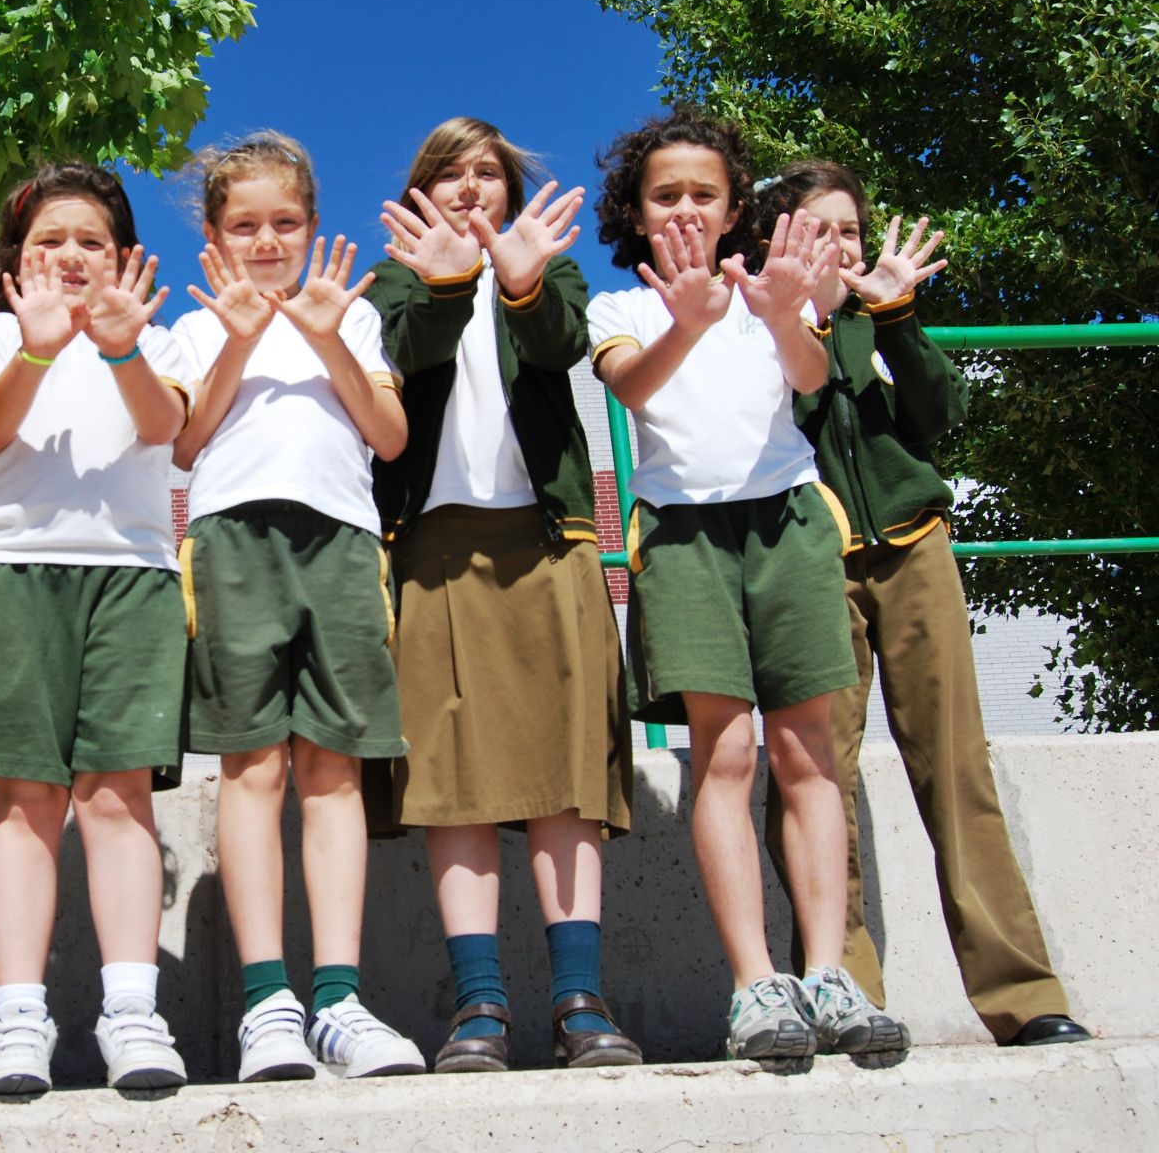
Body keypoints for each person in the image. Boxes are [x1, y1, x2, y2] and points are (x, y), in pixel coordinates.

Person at [588, 106, 908, 1063]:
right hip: (684, 536)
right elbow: (633, 389)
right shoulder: (626, 308)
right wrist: (691, 322)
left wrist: (778, 313)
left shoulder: (779, 290)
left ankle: (828, 974)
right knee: (724, 758)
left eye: (704, 193)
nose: (685, 208)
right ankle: (753, 985)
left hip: (789, 522)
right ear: (637, 213)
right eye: (665, 195)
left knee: (812, 757)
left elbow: (811, 379)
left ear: (734, 208)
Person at [755, 159, 1092, 1049]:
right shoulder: (763, 324)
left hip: (914, 552)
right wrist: (802, 317)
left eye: (851, 231)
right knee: (815, 773)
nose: (840, 246)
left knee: (956, 771)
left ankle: (1025, 997)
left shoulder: (882, 320)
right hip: (814, 559)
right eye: (817, 228)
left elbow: (943, 416)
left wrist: (896, 317)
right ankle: (843, 990)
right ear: (783, 238)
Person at [364, 116, 640, 1072]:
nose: (471, 187)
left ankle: (580, 1001)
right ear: (421, 188)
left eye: (488, 173)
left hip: (548, 542)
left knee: (568, 778)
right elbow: (406, 356)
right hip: (435, 550)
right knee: (455, 786)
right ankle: (479, 1008)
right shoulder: (393, 278)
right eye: (450, 172)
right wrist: (445, 282)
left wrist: (519, 280)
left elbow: (564, 342)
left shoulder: (546, 267)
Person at [0, 163, 195, 1097]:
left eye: (91, 241)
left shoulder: (159, 337)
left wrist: (122, 350)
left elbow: (168, 430)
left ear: (124, 257)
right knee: (25, 800)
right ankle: (17, 1017)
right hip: (9, 571)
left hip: (134, 574)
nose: (71, 256)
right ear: (17, 259)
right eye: (49, 241)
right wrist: (36, 352)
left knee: (118, 798)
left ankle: (132, 1012)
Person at [169, 132, 423, 1081]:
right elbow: (188, 443)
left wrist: (325, 338)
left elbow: (389, 437)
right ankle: (267, 1000)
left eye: (285, 222)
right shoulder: (199, 324)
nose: (267, 239)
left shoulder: (348, 319)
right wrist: (238, 342)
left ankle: (338, 1001)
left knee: (333, 771)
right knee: (253, 769)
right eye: (246, 224)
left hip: (344, 543)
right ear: (216, 235)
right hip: (235, 540)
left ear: (313, 227)